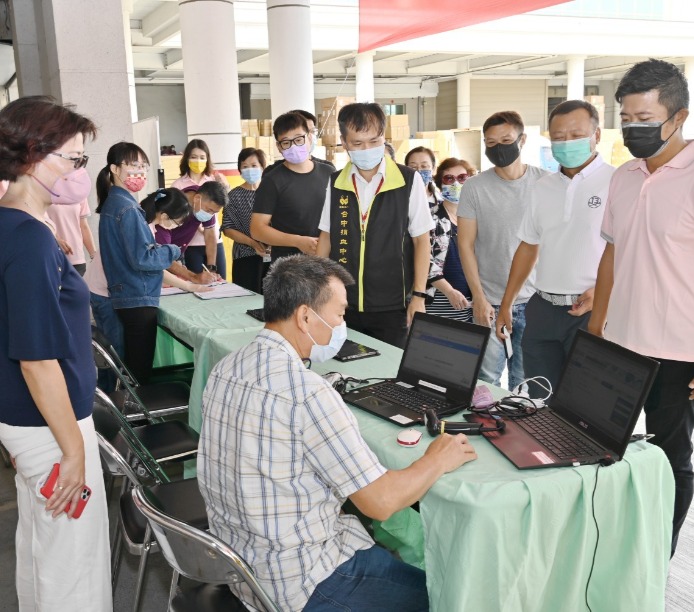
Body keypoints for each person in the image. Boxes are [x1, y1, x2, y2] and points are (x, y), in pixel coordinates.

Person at [198, 254, 477, 611]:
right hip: (303, 582)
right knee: (450, 598)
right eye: (340, 314)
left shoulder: (227, 365)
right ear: (304, 317)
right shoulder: (308, 393)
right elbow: (381, 502)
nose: (342, 325)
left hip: (240, 566)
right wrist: (436, 459)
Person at [0, 95, 112, 610]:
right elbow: (37, 359)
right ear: (32, 156)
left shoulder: (16, 226)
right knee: (74, 566)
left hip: (31, 422)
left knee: (41, 549)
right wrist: (72, 451)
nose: (79, 171)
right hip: (51, 425)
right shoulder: (29, 239)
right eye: (73, 158)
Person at [587, 59, 694, 556]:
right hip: (619, 344)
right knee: (600, 447)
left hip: (678, 350)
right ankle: (612, 550)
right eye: (626, 119)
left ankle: (655, 562)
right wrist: (595, 328)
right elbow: (613, 252)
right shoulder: (624, 176)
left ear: (679, 117)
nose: (634, 129)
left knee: (670, 458)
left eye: (645, 119)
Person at [495, 100, 614, 398]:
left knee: (587, 403)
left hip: (591, 310)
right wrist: (507, 303)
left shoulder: (617, 181)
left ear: (597, 135)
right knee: (540, 399)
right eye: (559, 137)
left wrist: (604, 293)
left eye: (576, 135)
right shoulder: (543, 187)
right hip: (542, 309)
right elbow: (528, 246)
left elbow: (633, 250)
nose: (567, 143)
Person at [316, 103, 433, 349]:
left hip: (393, 305)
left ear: (383, 137)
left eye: (374, 141)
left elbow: (421, 240)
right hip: (343, 302)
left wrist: (419, 296)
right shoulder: (335, 182)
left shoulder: (408, 180)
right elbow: (326, 236)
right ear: (344, 142)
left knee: (390, 367)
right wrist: (318, 289)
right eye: (358, 143)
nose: (367, 149)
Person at [458, 110, 548, 392]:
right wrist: (479, 298)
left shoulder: (546, 183)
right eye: (491, 143)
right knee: (486, 383)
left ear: (522, 140)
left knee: (527, 384)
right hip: (490, 302)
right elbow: (465, 244)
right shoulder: (474, 187)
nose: (498, 148)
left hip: (535, 302)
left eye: (506, 140)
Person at [97, 143, 185, 384]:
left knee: (133, 367)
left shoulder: (115, 202)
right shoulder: (126, 208)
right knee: (139, 372)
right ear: (115, 169)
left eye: (142, 166)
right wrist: (172, 250)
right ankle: (137, 410)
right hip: (136, 295)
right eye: (132, 165)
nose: (139, 171)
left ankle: (131, 407)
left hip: (128, 293)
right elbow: (142, 258)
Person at [250, 112, 334, 262]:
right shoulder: (272, 180)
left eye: (299, 139)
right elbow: (257, 229)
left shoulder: (328, 172)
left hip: (327, 260)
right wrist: (298, 241)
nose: (293, 146)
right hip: (289, 266)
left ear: (309, 138)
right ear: (279, 147)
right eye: (286, 142)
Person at [426, 157, 477, 322]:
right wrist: (449, 291)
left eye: (462, 178)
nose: (456, 183)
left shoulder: (479, 217)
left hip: (475, 301)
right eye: (449, 178)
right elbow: (424, 260)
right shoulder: (430, 217)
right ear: (440, 184)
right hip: (440, 299)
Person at [172, 139, 228, 279]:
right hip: (185, 245)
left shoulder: (213, 182)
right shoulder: (178, 188)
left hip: (211, 242)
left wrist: (212, 267)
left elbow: (210, 232)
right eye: (194, 157)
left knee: (216, 280)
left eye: (202, 157)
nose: (198, 161)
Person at [155, 180, 228, 284]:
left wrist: (211, 268)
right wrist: (194, 277)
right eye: (209, 210)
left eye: (214, 212)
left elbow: (210, 235)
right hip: (161, 253)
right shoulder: (173, 206)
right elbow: (163, 256)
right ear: (197, 198)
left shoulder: (205, 203)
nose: (210, 214)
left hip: (177, 253)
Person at [222, 147, 271, 293]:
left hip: (273, 255)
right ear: (240, 170)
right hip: (244, 256)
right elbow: (228, 229)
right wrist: (253, 243)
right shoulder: (233, 196)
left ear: (262, 167)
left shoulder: (271, 192)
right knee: (246, 298)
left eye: (254, 165)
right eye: (245, 166)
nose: (250, 170)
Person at [263, 109, 335, 175]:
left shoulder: (327, 169)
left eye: (313, 131)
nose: (311, 136)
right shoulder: (272, 173)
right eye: (307, 131)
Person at [46, 198, 96, 276]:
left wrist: (94, 256)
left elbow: (84, 226)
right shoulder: (45, 192)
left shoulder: (80, 193)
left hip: (77, 259)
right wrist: (55, 238)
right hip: (53, 259)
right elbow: (40, 221)